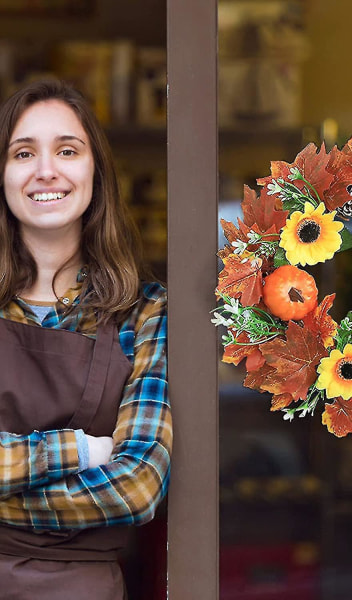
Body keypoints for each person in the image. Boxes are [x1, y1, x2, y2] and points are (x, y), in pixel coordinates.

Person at [0, 79, 171, 598]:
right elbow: (113, 475)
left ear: (96, 171)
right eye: (23, 152)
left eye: (67, 150)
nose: (45, 170)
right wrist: (79, 450)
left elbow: (139, 487)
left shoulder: (146, 309)